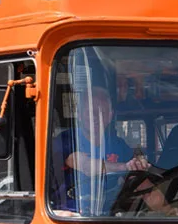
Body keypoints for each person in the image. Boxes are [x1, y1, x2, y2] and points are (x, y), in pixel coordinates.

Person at [49, 86, 149, 216]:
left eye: (102, 111)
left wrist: (167, 209)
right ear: (79, 115)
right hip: (69, 217)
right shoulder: (65, 140)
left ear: (110, 115)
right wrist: (124, 166)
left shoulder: (118, 145)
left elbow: (140, 181)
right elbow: (85, 166)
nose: (95, 116)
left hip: (109, 215)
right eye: (90, 112)